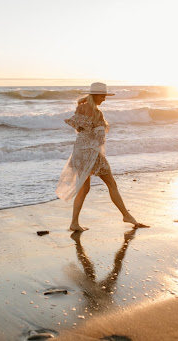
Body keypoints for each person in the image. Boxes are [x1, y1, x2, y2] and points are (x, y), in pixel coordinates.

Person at [56, 82, 148, 231]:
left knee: (84, 189)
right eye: (102, 96)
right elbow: (98, 137)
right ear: (95, 95)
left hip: (79, 152)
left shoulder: (80, 108)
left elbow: (80, 129)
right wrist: (100, 132)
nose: (104, 99)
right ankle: (126, 215)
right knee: (111, 184)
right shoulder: (97, 112)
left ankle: (74, 223)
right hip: (92, 153)